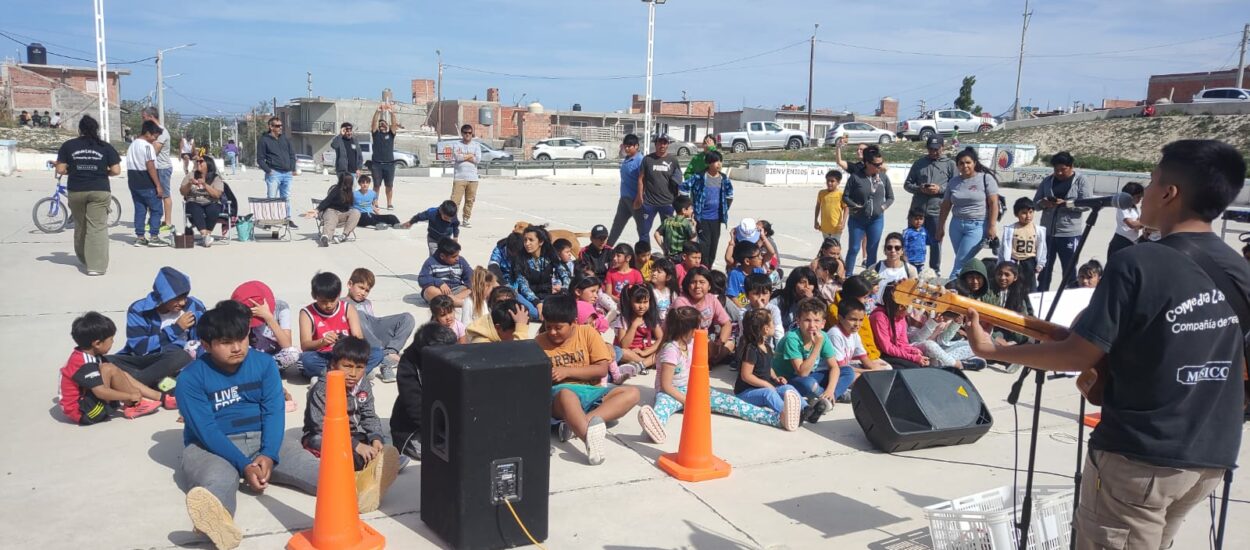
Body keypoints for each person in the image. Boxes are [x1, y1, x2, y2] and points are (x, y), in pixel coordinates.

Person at [966, 139, 1250, 550]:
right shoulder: (1239, 268)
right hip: (1211, 453)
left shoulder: (1139, 261)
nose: (1142, 194)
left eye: (1150, 183)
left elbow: (1077, 353)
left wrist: (993, 350)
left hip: (1141, 456)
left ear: (1169, 194)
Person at [176, 302, 373, 550]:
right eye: (226, 342)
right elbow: (206, 430)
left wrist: (268, 454)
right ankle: (217, 523)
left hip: (264, 438)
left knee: (318, 471)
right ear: (206, 345)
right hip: (211, 446)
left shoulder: (264, 365)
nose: (237, 348)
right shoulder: (190, 378)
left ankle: (362, 489)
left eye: (241, 338)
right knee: (218, 480)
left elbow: (273, 413)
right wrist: (244, 464)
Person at [637, 305, 797, 444]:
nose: (701, 330)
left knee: (734, 404)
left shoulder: (692, 344)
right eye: (697, 327)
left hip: (693, 390)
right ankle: (654, 425)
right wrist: (688, 401)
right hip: (671, 393)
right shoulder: (670, 350)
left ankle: (777, 419)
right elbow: (666, 385)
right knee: (662, 407)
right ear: (688, 329)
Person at [539, 294, 641, 465]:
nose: (552, 332)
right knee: (566, 394)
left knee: (633, 393)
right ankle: (589, 440)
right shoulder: (539, 342)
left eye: (558, 327)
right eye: (548, 327)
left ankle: (575, 424)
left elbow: (601, 369)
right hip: (560, 396)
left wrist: (567, 371)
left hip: (592, 392)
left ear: (573, 323)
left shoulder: (587, 333)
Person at [301, 336, 399, 482]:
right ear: (334, 364)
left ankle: (373, 461)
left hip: (351, 433)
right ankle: (366, 465)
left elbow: (369, 415)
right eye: (347, 366)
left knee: (384, 441)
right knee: (326, 445)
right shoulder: (322, 389)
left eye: (359, 368)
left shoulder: (363, 384)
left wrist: (376, 437)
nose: (353, 374)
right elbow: (321, 426)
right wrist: (355, 445)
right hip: (323, 435)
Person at [58, 312, 173, 424]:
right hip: (84, 413)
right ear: (97, 344)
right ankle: (133, 404)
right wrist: (129, 396)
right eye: (111, 339)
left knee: (118, 371)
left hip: (88, 402)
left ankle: (160, 398)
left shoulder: (89, 354)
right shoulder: (85, 363)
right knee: (109, 369)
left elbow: (121, 377)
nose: (113, 342)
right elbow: (101, 392)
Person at [55, 115, 121, 275]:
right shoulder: (105, 146)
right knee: (97, 227)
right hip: (99, 189)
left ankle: (84, 258)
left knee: (81, 225)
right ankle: (96, 267)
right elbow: (116, 170)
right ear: (96, 129)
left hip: (77, 190)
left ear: (80, 129)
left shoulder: (68, 146)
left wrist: (74, 169)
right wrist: (103, 172)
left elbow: (60, 169)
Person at [774, 297, 852, 423]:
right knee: (808, 383)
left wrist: (830, 390)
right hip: (788, 380)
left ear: (823, 323)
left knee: (848, 371)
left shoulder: (823, 336)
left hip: (810, 376)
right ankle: (829, 396)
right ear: (798, 321)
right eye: (807, 320)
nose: (812, 325)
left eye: (817, 321)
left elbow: (834, 367)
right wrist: (817, 346)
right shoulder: (792, 338)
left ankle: (828, 399)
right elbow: (802, 372)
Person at [391, 323, 460, 460]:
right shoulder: (409, 365)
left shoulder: (453, 357)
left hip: (450, 425)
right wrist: (447, 431)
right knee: (450, 455)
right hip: (417, 429)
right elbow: (415, 408)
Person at [297, 272, 384, 379]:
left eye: (332, 301)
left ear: (338, 295)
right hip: (324, 356)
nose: (328, 305)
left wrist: (344, 342)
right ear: (314, 296)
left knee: (377, 353)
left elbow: (359, 339)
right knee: (307, 360)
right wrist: (322, 342)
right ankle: (357, 374)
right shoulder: (307, 313)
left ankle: (331, 376)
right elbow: (305, 345)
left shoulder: (348, 308)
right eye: (323, 301)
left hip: (347, 355)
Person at [935, 148, 1000, 279]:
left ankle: (951, 287)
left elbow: (994, 203)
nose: (965, 166)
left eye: (968, 162)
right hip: (956, 225)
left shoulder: (985, 179)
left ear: (974, 163)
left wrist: (992, 226)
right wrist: (940, 227)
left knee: (960, 262)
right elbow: (946, 206)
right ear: (957, 165)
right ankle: (966, 289)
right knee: (963, 261)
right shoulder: (953, 182)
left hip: (977, 226)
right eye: (961, 163)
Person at [734, 308, 806, 419]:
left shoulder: (766, 346)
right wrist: (766, 384)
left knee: (787, 388)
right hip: (746, 392)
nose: (774, 324)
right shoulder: (751, 349)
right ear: (766, 329)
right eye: (772, 322)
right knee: (768, 393)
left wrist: (776, 378)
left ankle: (806, 409)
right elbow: (746, 375)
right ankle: (789, 415)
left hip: (762, 388)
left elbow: (768, 367)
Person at [1033, 152, 1091, 291]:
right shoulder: (1047, 181)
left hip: (1069, 234)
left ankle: (1069, 298)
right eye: (1056, 169)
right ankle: (1042, 296)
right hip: (1048, 233)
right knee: (1044, 269)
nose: (1059, 172)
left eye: (1063, 169)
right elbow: (1034, 203)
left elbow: (1088, 204)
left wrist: (1066, 204)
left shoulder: (1081, 181)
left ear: (1071, 167)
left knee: (1069, 271)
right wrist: (1043, 203)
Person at [346, 267, 413, 382]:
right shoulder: (342, 303)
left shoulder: (367, 302)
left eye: (367, 290)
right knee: (359, 315)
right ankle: (383, 357)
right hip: (360, 338)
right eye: (361, 288)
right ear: (350, 284)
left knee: (407, 318)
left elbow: (373, 323)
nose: (363, 293)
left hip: (373, 329)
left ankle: (390, 352)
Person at [903, 136, 956, 275]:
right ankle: (911, 269)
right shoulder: (919, 163)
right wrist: (920, 188)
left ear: (942, 147)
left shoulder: (950, 164)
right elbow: (907, 185)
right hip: (917, 211)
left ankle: (934, 271)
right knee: (913, 240)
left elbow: (956, 185)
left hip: (936, 210)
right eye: (931, 149)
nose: (933, 152)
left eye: (936, 149)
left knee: (936, 242)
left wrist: (940, 189)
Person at [843, 146, 894, 273]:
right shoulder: (855, 177)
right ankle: (847, 276)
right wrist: (854, 205)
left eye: (881, 163)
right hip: (857, 220)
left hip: (876, 220)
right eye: (877, 164)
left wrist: (883, 207)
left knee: (872, 250)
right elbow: (845, 196)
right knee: (854, 249)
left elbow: (890, 197)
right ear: (867, 163)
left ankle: (869, 279)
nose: (880, 166)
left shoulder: (883, 177)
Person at [680, 150, 732, 266]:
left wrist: (724, 209)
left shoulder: (723, 178)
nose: (719, 164)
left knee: (713, 246)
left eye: (720, 161)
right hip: (702, 218)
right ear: (709, 163)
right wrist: (689, 207)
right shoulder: (699, 177)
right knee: (704, 246)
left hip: (716, 219)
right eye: (715, 161)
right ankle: (705, 269)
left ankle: (709, 267)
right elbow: (683, 188)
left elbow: (730, 195)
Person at [674, 266, 735, 365]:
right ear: (687, 285)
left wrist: (720, 343)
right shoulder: (681, 302)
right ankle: (706, 361)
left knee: (730, 343)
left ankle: (707, 360)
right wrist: (709, 344)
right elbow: (686, 332)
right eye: (693, 282)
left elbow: (727, 324)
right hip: (685, 341)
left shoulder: (711, 299)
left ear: (709, 286)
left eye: (702, 282)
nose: (697, 286)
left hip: (705, 342)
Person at [126, 120, 170, 247]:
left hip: (133, 181)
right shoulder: (147, 146)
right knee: (156, 209)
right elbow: (150, 165)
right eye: (154, 136)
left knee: (140, 209)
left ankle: (140, 236)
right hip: (146, 182)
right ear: (147, 133)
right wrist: (158, 185)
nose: (155, 139)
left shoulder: (132, 145)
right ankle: (154, 236)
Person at [870, 282, 931, 370]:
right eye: (910, 307)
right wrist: (913, 357)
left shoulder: (900, 317)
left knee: (922, 366)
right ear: (901, 307)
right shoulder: (879, 317)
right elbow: (887, 348)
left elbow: (902, 343)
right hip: (881, 354)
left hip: (894, 352)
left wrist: (913, 351)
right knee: (913, 367)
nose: (910, 312)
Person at [827, 299, 892, 377]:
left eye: (861, 320)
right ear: (840, 318)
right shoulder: (835, 334)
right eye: (853, 320)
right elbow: (841, 367)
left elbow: (864, 358)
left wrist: (875, 369)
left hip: (846, 369)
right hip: (830, 372)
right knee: (857, 377)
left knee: (884, 369)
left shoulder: (854, 334)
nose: (857, 324)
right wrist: (867, 372)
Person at [510, 225, 567, 310]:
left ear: (540, 242)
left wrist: (564, 289)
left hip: (549, 296)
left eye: (531, 240)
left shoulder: (550, 256)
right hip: (530, 299)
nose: (527, 243)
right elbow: (523, 286)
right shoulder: (520, 260)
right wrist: (537, 303)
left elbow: (564, 274)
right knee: (535, 312)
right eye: (525, 240)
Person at [636, 134, 682, 238]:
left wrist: (677, 199)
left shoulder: (673, 160)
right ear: (655, 144)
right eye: (660, 142)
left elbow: (679, 179)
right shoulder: (647, 159)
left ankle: (668, 254)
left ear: (668, 144)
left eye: (664, 143)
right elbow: (640, 179)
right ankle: (644, 254)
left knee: (668, 233)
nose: (662, 145)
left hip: (667, 203)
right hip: (649, 203)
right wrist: (639, 196)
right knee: (644, 232)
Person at [997, 197, 1047, 293]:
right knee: (1013, 287)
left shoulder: (1038, 230)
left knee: (1031, 288)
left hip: (1029, 262)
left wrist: (1040, 263)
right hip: (1014, 261)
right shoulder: (1011, 229)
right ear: (1017, 214)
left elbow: (1042, 247)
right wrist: (1001, 263)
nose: (1028, 216)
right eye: (1024, 213)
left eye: (1031, 212)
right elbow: (1003, 248)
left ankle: (1029, 307)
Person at [138, 107, 175, 233]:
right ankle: (154, 220)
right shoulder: (152, 132)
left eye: (144, 118)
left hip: (162, 168)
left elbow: (154, 151)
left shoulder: (162, 133)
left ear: (151, 117)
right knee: (152, 195)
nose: (142, 121)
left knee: (164, 194)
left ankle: (168, 222)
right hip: (155, 167)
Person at [257, 116, 298, 228]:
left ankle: (287, 219)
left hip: (287, 174)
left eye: (281, 126)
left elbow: (292, 155)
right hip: (274, 173)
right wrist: (269, 171)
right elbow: (260, 159)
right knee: (271, 197)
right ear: (271, 127)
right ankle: (268, 221)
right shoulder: (264, 140)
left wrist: (292, 168)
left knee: (286, 198)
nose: (280, 128)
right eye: (277, 126)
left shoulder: (285, 138)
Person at [613, 283, 664, 372]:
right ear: (630, 302)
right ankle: (646, 364)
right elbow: (624, 345)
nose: (641, 306)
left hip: (644, 352)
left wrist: (646, 352)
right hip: (630, 353)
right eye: (638, 302)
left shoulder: (650, 318)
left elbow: (661, 338)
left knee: (664, 349)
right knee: (621, 352)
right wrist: (634, 326)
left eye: (645, 302)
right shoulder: (624, 319)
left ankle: (642, 364)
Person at [608, 134, 645, 246]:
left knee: (642, 230)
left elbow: (644, 181)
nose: (627, 148)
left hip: (636, 200)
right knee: (616, 227)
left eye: (630, 146)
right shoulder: (626, 159)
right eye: (626, 146)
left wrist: (639, 198)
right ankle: (607, 250)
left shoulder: (640, 161)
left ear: (637, 146)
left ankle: (643, 253)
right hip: (624, 200)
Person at [180, 155, 225, 247]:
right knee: (195, 209)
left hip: (211, 201)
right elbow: (182, 192)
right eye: (197, 162)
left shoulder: (215, 178)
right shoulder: (191, 175)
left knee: (214, 209)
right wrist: (189, 183)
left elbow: (217, 194)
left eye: (201, 161)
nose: (198, 163)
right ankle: (205, 235)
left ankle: (207, 235)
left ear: (208, 164)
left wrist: (205, 185)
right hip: (194, 200)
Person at [418, 237, 474, 306]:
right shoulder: (430, 262)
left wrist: (471, 285)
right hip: (440, 292)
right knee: (430, 291)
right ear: (442, 256)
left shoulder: (461, 261)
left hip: (457, 291)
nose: (457, 258)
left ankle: (449, 302)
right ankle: (463, 304)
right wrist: (439, 283)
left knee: (474, 290)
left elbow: (470, 276)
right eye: (454, 257)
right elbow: (422, 278)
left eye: (458, 255)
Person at [450, 124, 482, 228]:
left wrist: (464, 156)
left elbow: (478, 160)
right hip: (459, 177)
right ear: (462, 133)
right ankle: (453, 219)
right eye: (465, 132)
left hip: (473, 178)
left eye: (469, 133)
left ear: (472, 133)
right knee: (455, 201)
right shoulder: (457, 144)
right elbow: (457, 157)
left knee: (470, 200)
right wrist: (471, 155)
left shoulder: (476, 145)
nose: (467, 135)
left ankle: (466, 219)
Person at [314, 174, 360, 247]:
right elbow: (326, 201)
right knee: (331, 217)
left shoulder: (350, 192)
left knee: (356, 212)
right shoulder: (336, 189)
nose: (350, 183)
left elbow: (350, 207)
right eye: (349, 182)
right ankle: (326, 237)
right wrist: (317, 210)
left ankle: (344, 235)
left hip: (341, 215)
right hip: (330, 211)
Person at [467, 293, 531, 343]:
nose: (516, 335)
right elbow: (518, 357)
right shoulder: (481, 343)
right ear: (498, 328)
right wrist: (520, 332)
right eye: (515, 332)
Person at [370, 103, 399, 209]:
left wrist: (391, 112)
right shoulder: (376, 134)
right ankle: (375, 202)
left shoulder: (391, 135)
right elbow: (373, 123)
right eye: (380, 124)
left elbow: (394, 124)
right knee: (376, 185)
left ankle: (389, 203)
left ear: (387, 126)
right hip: (377, 164)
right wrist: (378, 111)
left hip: (389, 165)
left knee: (389, 185)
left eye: (384, 124)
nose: (382, 125)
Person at [1109, 181, 1147, 258]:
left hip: (1131, 241)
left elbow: (1137, 224)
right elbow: (1131, 224)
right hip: (1121, 241)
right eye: (1138, 197)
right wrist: (1148, 222)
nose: (1139, 199)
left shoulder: (1133, 208)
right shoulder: (1123, 207)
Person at [813, 169, 847, 243]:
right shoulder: (821, 193)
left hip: (836, 227)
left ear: (838, 182)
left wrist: (843, 223)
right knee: (827, 246)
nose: (829, 183)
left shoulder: (840, 194)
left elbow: (846, 208)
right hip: (825, 226)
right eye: (828, 181)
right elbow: (818, 206)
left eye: (832, 181)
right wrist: (815, 220)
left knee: (835, 246)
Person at [902, 209, 928, 273]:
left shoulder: (924, 231)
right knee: (910, 278)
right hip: (910, 261)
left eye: (921, 219)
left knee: (919, 278)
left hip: (921, 261)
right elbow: (903, 246)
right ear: (910, 219)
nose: (919, 221)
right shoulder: (907, 232)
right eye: (916, 219)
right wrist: (905, 258)